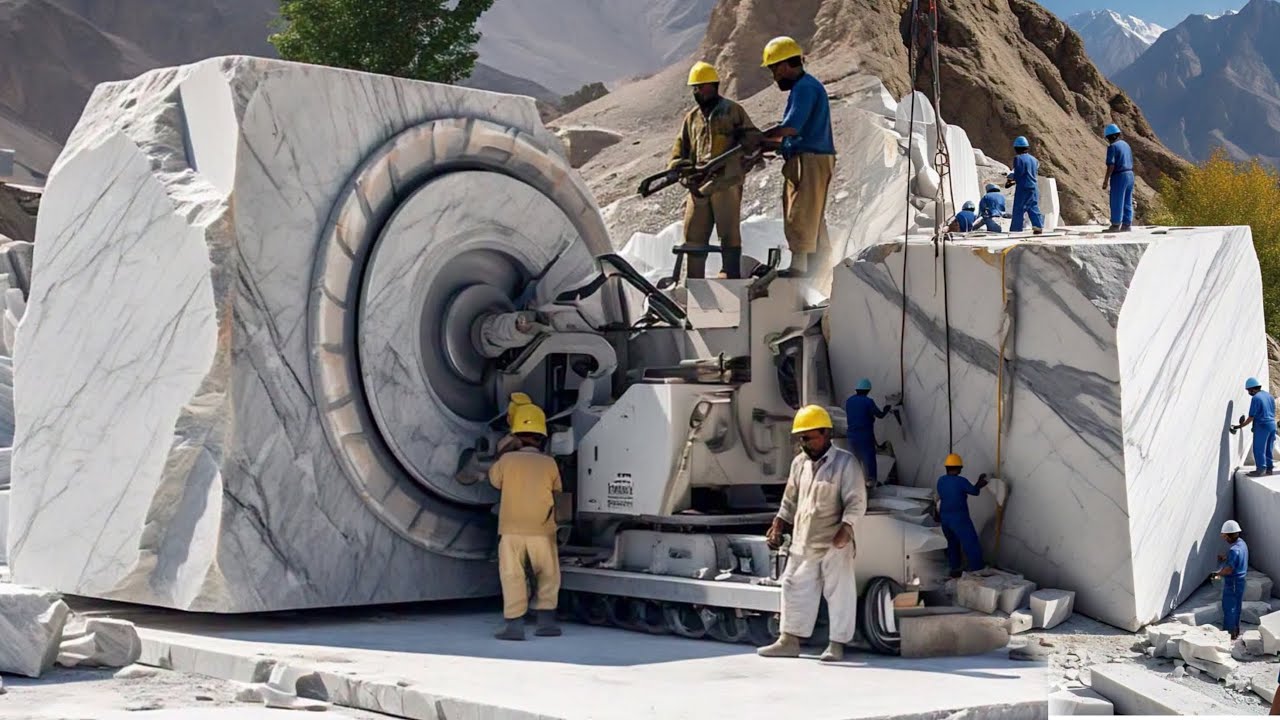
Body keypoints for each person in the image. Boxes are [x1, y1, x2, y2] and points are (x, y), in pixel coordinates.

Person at [758, 405, 866, 662]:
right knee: (793, 586)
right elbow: (790, 498)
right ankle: (789, 640)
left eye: (809, 437)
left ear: (826, 433)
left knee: (839, 593)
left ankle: (836, 645)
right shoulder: (799, 464)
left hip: (834, 543)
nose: (804, 443)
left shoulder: (845, 463)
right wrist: (779, 522)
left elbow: (856, 501)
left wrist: (847, 528)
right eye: (801, 438)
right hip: (804, 541)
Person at [669, 61, 762, 279]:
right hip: (698, 185)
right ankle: (693, 282)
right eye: (697, 88)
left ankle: (730, 276)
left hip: (726, 182)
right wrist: (678, 167)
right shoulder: (692, 118)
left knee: (728, 232)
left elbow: (752, 137)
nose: (701, 92)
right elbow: (679, 148)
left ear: (715, 86)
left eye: (705, 87)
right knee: (693, 233)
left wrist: (744, 148)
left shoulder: (732, 111)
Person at [760, 37, 836, 278]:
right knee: (813, 214)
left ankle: (799, 268)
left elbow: (792, 127)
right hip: (813, 157)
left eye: (774, 69)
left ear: (783, 66)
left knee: (800, 212)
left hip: (809, 159)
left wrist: (764, 136)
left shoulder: (804, 88)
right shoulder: (806, 87)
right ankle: (820, 269)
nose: (774, 76)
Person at [488, 403, 563, 641]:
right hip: (542, 529)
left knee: (512, 575)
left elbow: (494, 481)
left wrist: (502, 452)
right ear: (541, 438)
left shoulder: (507, 460)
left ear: (515, 437)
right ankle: (546, 622)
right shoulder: (549, 463)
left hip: (510, 530)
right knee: (548, 573)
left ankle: (514, 626)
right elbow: (558, 491)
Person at [936, 453, 989, 578]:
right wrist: (980, 483)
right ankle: (977, 569)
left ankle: (955, 568)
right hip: (959, 518)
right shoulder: (961, 481)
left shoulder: (941, 480)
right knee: (970, 542)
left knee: (952, 543)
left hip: (945, 518)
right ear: (958, 467)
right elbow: (974, 491)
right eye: (960, 467)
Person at [844, 379, 892, 483]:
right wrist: (887, 408)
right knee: (869, 459)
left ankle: (853, 482)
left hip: (851, 435)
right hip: (864, 435)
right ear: (868, 390)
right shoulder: (868, 401)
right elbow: (880, 415)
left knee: (854, 460)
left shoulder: (849, 401)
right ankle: (871, 482)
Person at [1211, 520, 1248, 640]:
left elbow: (1228, 570)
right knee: (1237, 606)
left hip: (1232, 582)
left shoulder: (1233, 550)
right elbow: (1237, 556)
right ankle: (1235, 631)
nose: (1224, 539)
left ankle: (1228, 634)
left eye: (1225, 536)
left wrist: (1216, 574)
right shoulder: (1242, 544)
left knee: (1229, 607)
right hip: (1241, 581)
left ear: (1228, 535)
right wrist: (1225, 557)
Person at [1233, 378, 1276, 477]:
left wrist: (1240, 426)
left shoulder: (1256, 398)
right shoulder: (1269, 396)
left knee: (1258, 448)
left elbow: (1252, 416)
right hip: (1272, 425)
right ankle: (1269, 469)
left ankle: (1260, 469)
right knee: (1269, 448)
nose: (1249, 392)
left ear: (1252, 389)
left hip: (1262, 425)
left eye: (1248, 390)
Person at [1005, 136, 1044, 235]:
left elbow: (1019, 173)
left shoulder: (1018, 159)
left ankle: (1016, 229)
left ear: (1017, 148)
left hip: (1023, 187)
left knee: (1019, 208)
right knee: (1033, 207)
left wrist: (1011, 179)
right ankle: (1038, 226)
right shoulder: (1034, 160)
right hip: (1033, 186)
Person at [1101, 124, 1134, 232]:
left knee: (1116, 200)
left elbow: (1111, 165)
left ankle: (1115, 225)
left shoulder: (1113, 147)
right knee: (1127, 200)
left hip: (1119, 176)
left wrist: (1106, 180)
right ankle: (1127, 224)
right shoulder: (1126, 145)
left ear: (1110, 137)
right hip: (1130, 174)